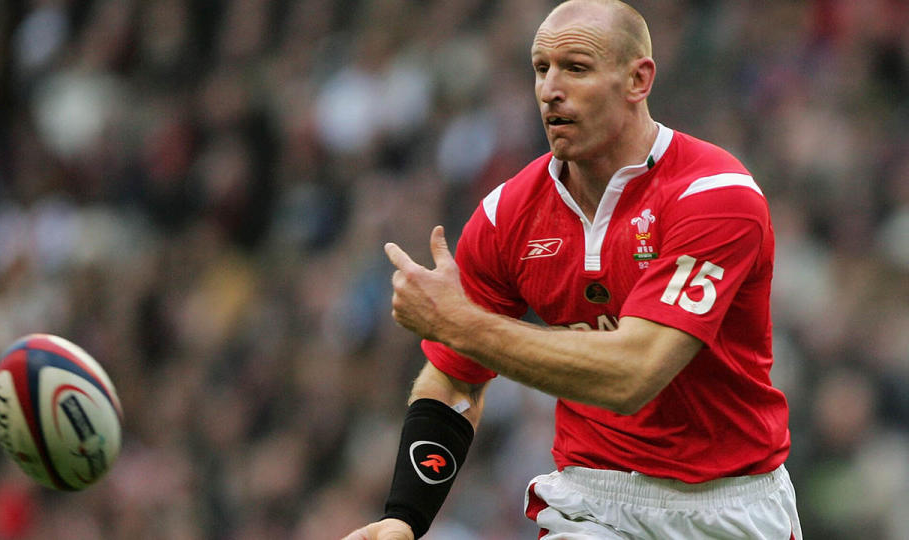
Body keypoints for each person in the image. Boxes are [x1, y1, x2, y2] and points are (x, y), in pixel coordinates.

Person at [343, 0, 803, 538]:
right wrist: (404, 517)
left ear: (638, 79)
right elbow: (453, 378)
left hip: (731, 504)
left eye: (576, 68)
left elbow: (634, 373)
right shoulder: (506, 215)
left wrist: (460, 324)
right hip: (594, 501)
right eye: (541, 68)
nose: (550, 89)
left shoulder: (714, 196)